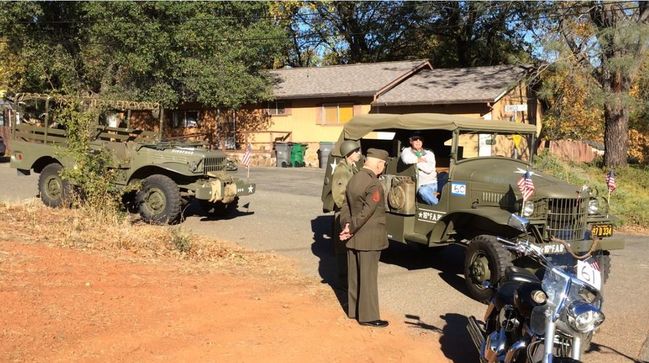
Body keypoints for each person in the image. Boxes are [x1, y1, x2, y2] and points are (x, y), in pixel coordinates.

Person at [339, 148, 389, 328]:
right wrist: (351, 227)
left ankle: (353, 311)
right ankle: (368, 316)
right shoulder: (373, 184)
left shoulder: (354, 178)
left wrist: (346, 225)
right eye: (383, 164)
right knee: (367, 277)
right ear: (378, 164)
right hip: (369, 237)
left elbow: (345, 206)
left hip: (353, 236)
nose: (383, 167)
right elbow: (367, 212)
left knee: (354, 276)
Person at [331, 140, 361, 289]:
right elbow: (339, 195)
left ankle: (349, 281)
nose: (359, 154)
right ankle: (343, 283)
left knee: (350, 247)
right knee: (343, 249)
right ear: (349, 153)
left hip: (352, 212)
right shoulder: (342, 170)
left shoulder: (353, 168)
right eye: (356, 152)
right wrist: (348, 212)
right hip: (344, 213)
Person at [400, 133, 438, 204]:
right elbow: (406, 159)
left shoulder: (429, 154)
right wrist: (419, 160)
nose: (418, 141)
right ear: (411, 141)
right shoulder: (407, 151)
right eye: (415, 139)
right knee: (422, 191)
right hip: (419, 185)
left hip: (432, 183)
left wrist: (416, 162)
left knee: (424, 191)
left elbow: (429, 169)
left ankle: (438, 206)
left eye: (420, 140)